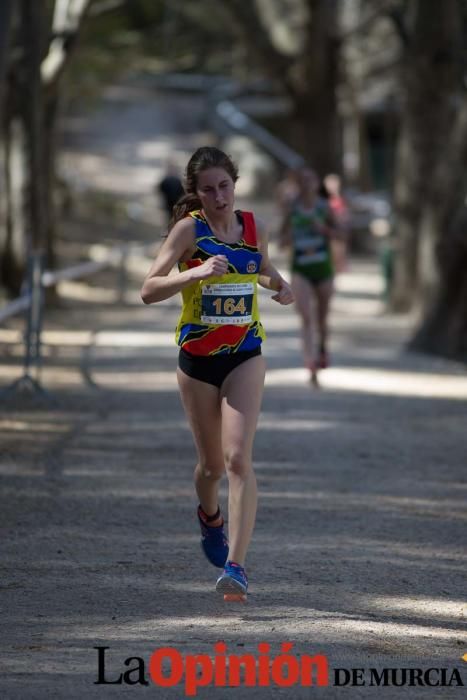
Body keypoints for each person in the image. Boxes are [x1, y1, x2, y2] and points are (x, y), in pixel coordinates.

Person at [141, 146, 294, 600]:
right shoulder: (188, 230)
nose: (219, 196)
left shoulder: (254, 228)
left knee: (237, 460)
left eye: (224, 186)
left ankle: (237, 566)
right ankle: (210, 516)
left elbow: (261, 268)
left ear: (234, 184)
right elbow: (148, 289)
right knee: (210, 467)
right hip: (198, 362)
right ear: (197, 193)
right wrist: (195, 274)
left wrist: (279, 285)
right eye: (208, 189)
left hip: (245, 353)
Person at [279, 167, 342, 385]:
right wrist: (289, 237)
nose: (307, 184)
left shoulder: (325, 207)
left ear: (317, 184)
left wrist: (323, 229)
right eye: (303, 180)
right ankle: (311, 363)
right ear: (298, 185)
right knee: (306, 317)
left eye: (310, 180)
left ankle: (322, 349)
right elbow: (281, 240)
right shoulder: (292, 209)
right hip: (301, 269)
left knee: (322, 319)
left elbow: (340, 235)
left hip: (323, 269)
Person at [323, 173, 351, 274]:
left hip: (340, 227)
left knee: (340, 246)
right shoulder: (324, 200)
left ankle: (341, 266)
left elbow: (345, 213)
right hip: (330, 229)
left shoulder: (341, 199)